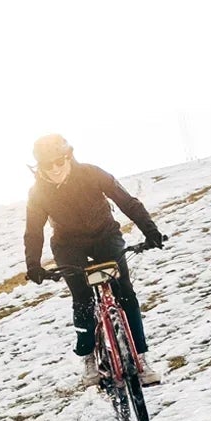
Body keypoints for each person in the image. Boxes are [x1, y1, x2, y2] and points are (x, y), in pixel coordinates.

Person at [24, 135, 165, 388]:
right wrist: (33, 264)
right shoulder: (38, 193)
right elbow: (34, 230)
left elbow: (127, 202)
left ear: (68, 156)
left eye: (59, 161)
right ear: (40, 167)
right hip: (68, 245)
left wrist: (150, 232)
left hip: (105, 236)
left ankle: (141, 359)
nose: (55, 168)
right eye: (48, 165)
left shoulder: (92, 174)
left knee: (125, 293)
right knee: (83, 300)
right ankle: (88, 355)